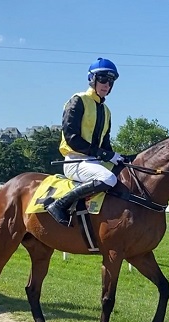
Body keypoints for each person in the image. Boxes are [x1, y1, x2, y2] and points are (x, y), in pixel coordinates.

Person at [47, 57, 124, 226]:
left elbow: (105, 145)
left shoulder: (106, 111)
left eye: (110, 81)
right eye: (103, 79)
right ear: (92, 79)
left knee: (125, 173)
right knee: (109, 179)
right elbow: (71, 138)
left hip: (94, 162)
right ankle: (59, 204)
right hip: (75, 161)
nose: (107, 84)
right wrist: (104, 154)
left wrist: (123, 158)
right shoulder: (77, 100)